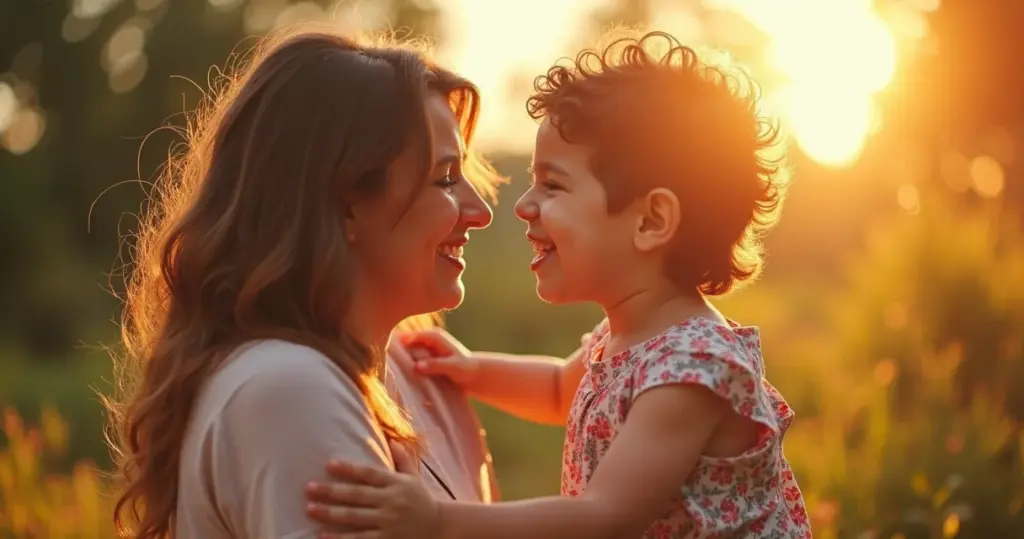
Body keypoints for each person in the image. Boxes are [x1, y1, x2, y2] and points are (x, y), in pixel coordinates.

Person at [304, 30, 812, 538]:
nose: (524, 205)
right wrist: (471, 369)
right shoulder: (630, 340)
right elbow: (556, 389)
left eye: (553, 185)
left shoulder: (691, 369)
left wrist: (437, 519)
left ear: (651, 221)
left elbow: (604, 516)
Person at [103, 25, 503, 539]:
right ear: (346, 200)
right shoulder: (289, 390)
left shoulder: (409, 372)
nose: (480, 212)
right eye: (445, 178)